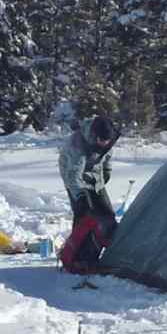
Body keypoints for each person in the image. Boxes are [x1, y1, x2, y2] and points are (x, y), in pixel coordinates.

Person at [58, 114, 120, 273]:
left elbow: (107, 156)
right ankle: (77, 258)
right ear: (94, 135)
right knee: (84, 217)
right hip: (74, 178)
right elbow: (73, 175)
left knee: (107, 216)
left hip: (94, 178)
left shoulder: (109, 138)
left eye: (107, 141)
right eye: (101, 140)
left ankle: (99, 254)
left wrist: (106, 171)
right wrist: (80, 196)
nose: (105, 144)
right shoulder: (77, 144)